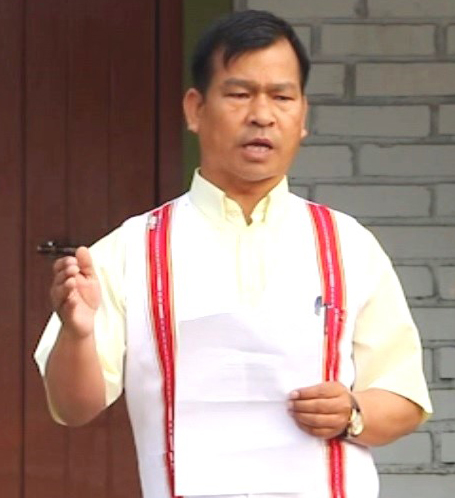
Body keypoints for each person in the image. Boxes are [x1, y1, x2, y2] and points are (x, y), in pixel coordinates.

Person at [35, 9, 432, 498]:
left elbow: (404, 396)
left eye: (282, 97)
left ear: (303, 116)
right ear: (195, 109)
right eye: (240, 94)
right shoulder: (131, 249)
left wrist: (353, 412)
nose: (262, 115)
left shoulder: (348, 245)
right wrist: (77, 334)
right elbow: (74, 407)